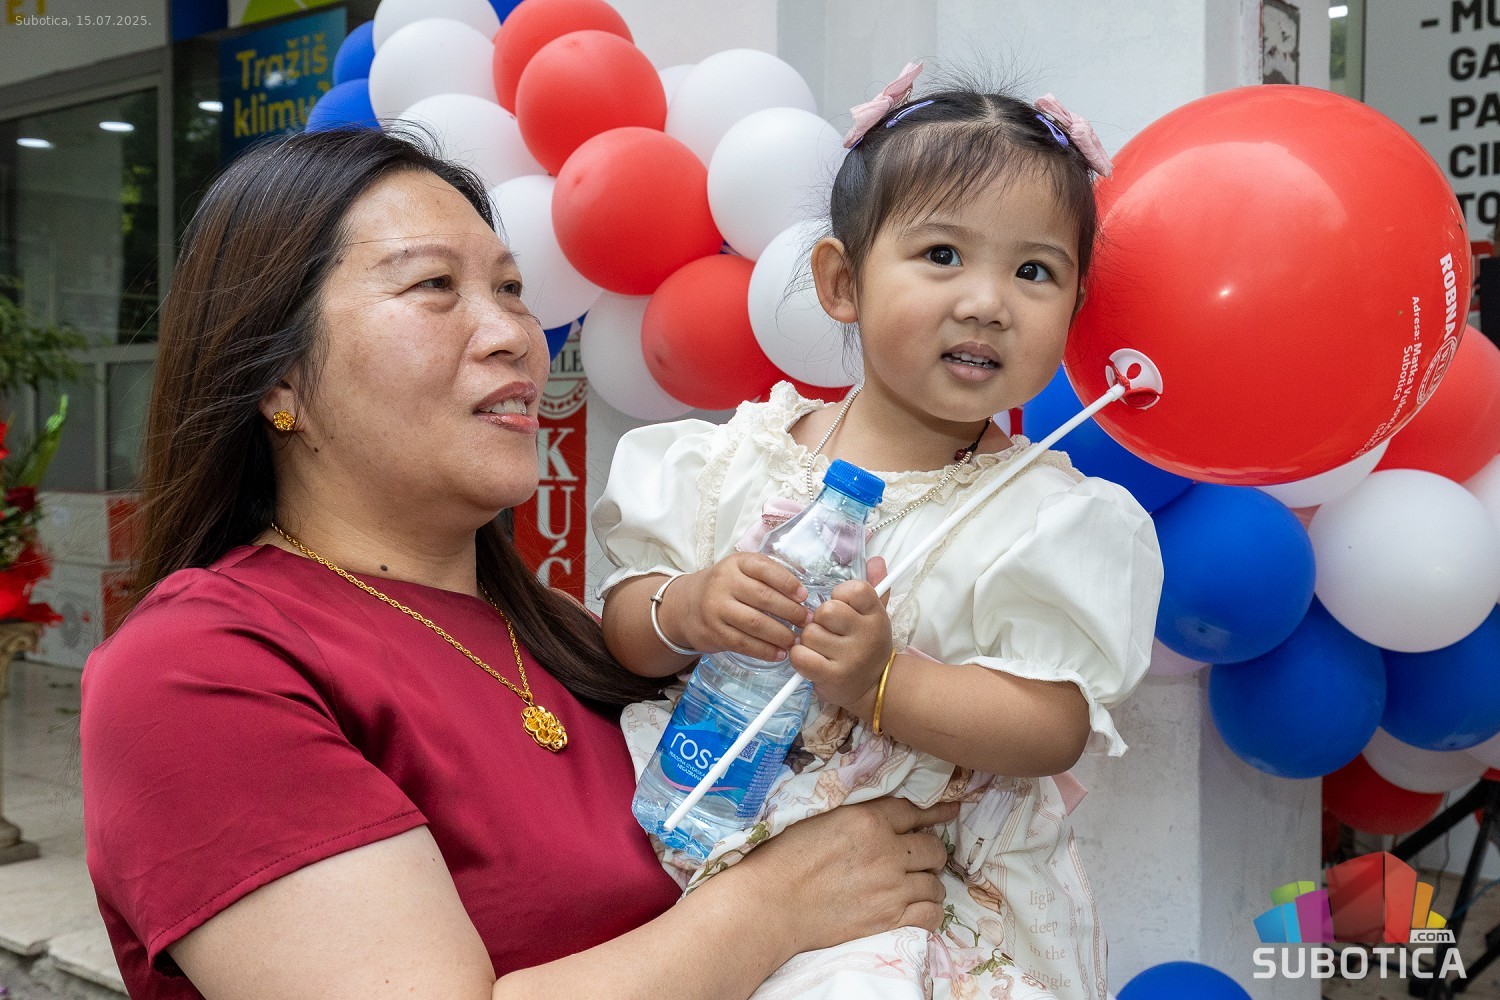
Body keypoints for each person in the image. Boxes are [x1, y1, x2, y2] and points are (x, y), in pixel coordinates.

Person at [78, 126, 960, 1000]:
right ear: (280, 377)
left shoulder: (574, 634)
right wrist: (774, 905)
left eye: (511, 289)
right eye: (434, 285)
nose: (512, 334)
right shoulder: (198, 665)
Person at [594, 66, 1163, 1000]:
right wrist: (687, 609)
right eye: (942, 254)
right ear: (841, 281)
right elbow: (623, 628)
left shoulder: (1047, 517)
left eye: (1034, 271)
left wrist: (884, 683)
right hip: (692, 846)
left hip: (922, 896)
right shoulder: (729, 461)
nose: (987, 302)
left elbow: (1052, 725)